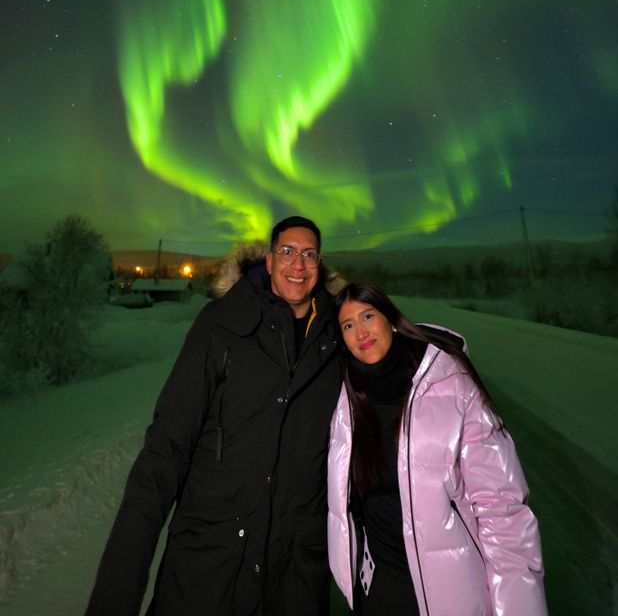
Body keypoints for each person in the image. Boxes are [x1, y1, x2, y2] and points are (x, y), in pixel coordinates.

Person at [86, 216, 344, 616]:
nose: (298, 264)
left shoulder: (336, 339)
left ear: (320, 263)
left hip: (292, 580)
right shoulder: (221, 324)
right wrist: (114, 598)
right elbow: (165, 450)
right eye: (287, 252)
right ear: (270, 261)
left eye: (309, 254)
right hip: (208, 571)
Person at [327, 283, 548, 615]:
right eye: (348, 325)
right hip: (378, 591)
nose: (361, 332)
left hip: (451, 593)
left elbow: (502, 510)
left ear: (389, 318)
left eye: (368, 316)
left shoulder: (451, 385)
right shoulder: (347, 401)